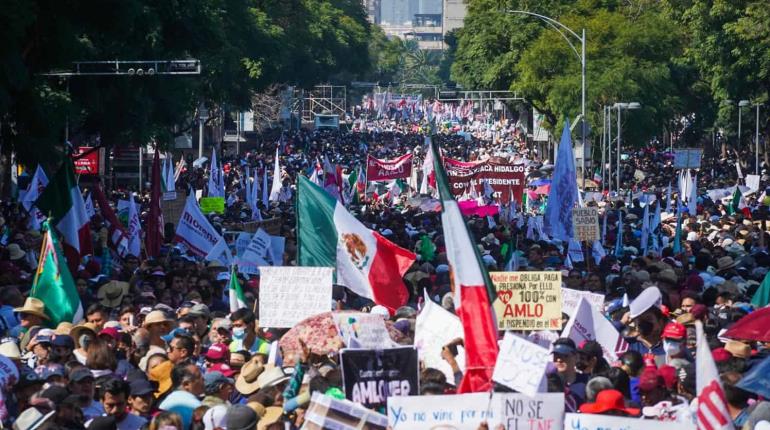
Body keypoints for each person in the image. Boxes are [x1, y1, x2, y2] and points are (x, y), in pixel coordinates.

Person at [158, 359, 204, 429]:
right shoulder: (197, 407)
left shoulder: (163, 404)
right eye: (199, 376)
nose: (203, 378)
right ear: (186, 384)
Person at [551, 338, 589, 407]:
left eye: (564, 355)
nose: (559, 359)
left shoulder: (586, 381)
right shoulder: (548, 382)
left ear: (576, 357)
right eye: (556, 355)